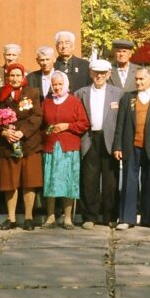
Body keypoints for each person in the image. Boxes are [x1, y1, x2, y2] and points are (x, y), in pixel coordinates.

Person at [115, 67, 150, 229]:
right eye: (136, 79)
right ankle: (126, 219)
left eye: (141, 79)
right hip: (131, 145)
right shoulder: (127, 98)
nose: (138, 82)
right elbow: (120, 124)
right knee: (129, 182)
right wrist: (118, 146)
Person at [0, 63, 43, 231]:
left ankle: (29, 217)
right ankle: (11, 217)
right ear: (7, 77)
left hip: (29, 144)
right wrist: (3, 132)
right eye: (11, 75)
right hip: (7, 145)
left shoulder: (33, 93)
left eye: (17, 75)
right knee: (10, 182)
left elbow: (37, 116)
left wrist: (22, 132)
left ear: (23, 77)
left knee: (29, 181)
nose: (14, 78)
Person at [75, 60, 124, 228]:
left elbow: (122, 121)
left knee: (111, 180)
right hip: (89, 139)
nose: (99, 76)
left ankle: (110, 216)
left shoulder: (118, 93)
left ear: (109, 74)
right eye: (96, 72)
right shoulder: (81, 93)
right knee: (89, 179)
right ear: (90, 73)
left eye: (103, 73)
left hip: (110, 140)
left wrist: (119, 144)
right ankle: (90, 216)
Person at [41, 71, 90, 229]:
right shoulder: (46, 102)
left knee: (69, 181)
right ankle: (50, 217)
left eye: (60, 84)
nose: (57, 87)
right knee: (50, 181)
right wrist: (46, 131)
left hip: (68, 147)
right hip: (50, 146)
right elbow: (40, 123)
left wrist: (67, 126)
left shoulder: (74, 101)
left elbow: (84, 124)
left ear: (66, 85)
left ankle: (68, 218)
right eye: (54, 84)